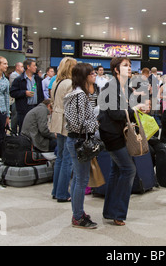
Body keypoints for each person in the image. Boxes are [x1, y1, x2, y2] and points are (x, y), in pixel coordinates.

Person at [98, 57, 148, 225]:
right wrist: (134, 109)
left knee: (117, 171)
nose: (129, 68)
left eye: (130, 65)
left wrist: (138, 107)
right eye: (125, 65)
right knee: (128, 170)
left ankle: (110, 211)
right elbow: (116, 113)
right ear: (116, 70)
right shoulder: (110, 87)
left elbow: (126, 111)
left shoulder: (125, 88)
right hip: (111, 135)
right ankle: (118, 213)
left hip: (121, 134)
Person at [64, 63, 99, 229]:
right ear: (84, 76)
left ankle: (78, 212)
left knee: (79, 178)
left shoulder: (79, 94)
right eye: (91, 73)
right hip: (78, 140)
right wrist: (94, 124)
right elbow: (77, 123)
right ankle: (77, 216)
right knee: (81, 180)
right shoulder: (79, 96)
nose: (94, 75)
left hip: (76, 139)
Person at [49, 57, 77, 203]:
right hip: (67, 121)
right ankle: (62, 193)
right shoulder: (71, 84)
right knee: (68, 159)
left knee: (60, 158)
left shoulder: (56, 82)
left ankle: (56, 190)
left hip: (57, 119)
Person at [10, 59, 44, 133]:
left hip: (36, 108)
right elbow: (13, 93)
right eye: (34, 66)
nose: (35, 67)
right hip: (24, 109)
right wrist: (24, 93)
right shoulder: (19, 80)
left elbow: (41, 94)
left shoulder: (38, 79)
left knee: (35, 130)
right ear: (28, 67)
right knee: (24, 130)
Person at [9, 62, 24, 135]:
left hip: (21, 99)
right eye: (21, 67)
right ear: (17, 67)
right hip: (14, 99)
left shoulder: (22, 76)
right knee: (15, 115)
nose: (23, 68)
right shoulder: (13, 75)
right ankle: (13, 131)